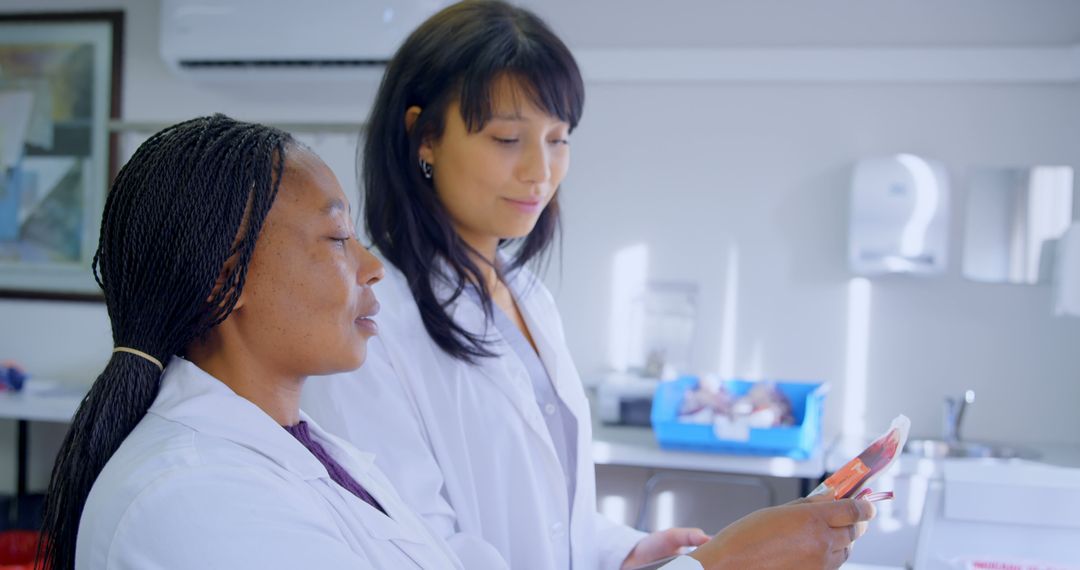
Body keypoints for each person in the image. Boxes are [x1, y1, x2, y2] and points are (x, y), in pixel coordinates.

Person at [301, 1, 874, 569]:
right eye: (507, 139)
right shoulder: (371, 323)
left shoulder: (528, 298)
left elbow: (548, 507)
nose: (540, 171)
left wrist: (622, 549)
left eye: (559, 138)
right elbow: (419, 551)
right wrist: (716, 564)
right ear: (423, 137)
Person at [37, 115, 462, 570]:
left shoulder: (310, 450)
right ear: (225, 281)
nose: (373, 266)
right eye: (338, 238)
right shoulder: (195, 496)